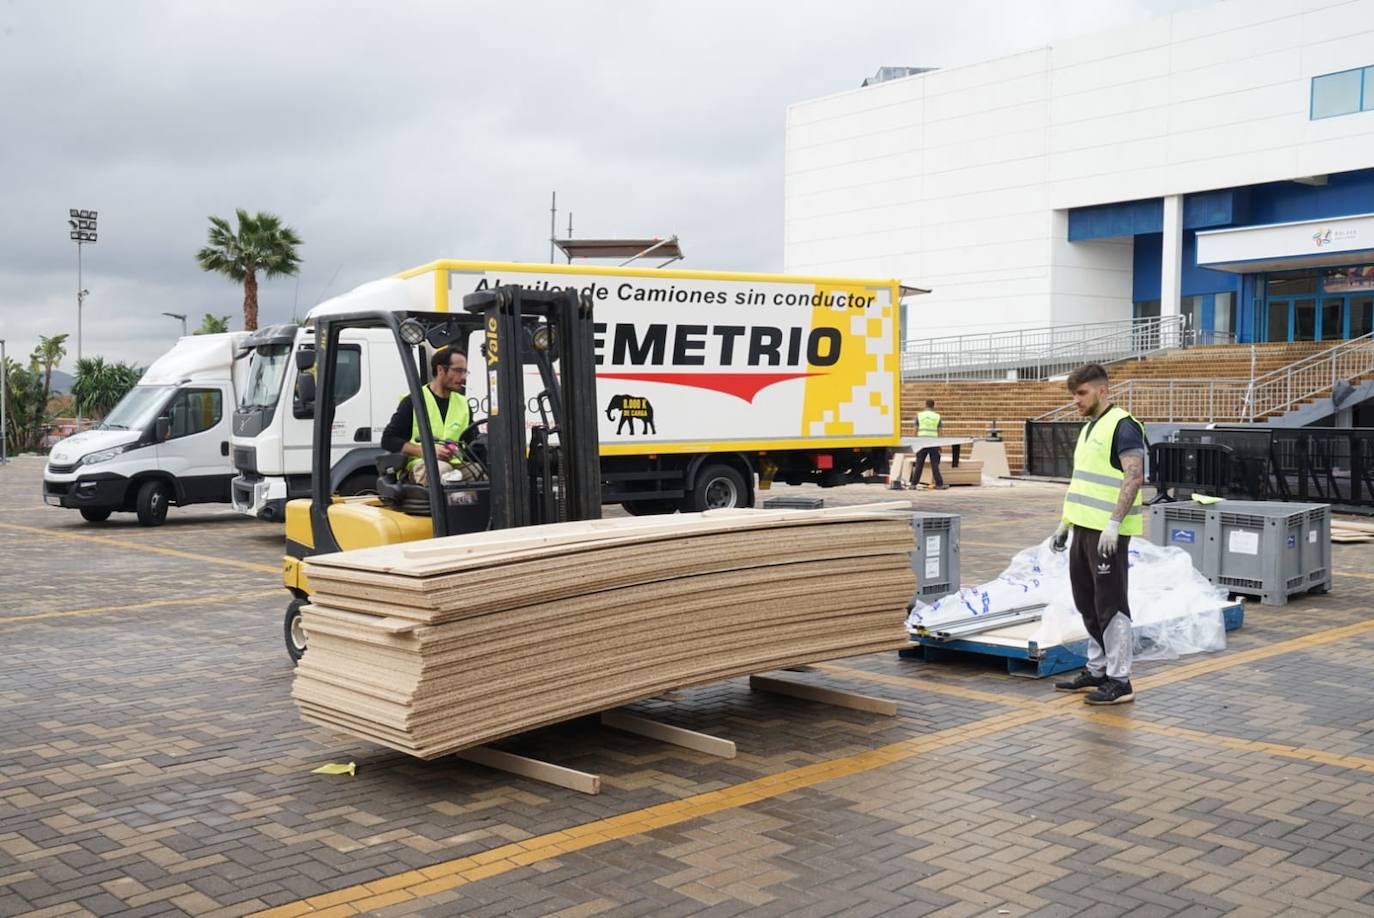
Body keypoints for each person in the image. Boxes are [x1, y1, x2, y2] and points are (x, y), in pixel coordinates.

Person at [1051, 363, 1147, 705]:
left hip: (1108, 532)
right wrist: (1066, 523)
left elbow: (1134, 477)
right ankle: (1098, 668)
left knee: (1111, 604)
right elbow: (1082, 484)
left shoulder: (1123, 426)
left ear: (1102, 391)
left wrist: (1115, 523)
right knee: (1087, 601)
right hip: (1083, 529)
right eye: (1073, 394)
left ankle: (1120, 680)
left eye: (1081, 393)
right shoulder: (1090, 427)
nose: (1075, 400)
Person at [380, 347, 470, 485]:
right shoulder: (413, 401)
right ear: (440, 370)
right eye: (458, 370)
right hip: (421, 464)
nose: (463, 377)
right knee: (444, 472)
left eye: (465, 371)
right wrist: (425, 451)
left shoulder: (463, 403)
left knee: (483, 472)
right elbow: (388, 439)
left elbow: (471, 440)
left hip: (455, 464)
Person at [909, 399, 949, 490]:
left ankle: (913, 484)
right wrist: (940, 445)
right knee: (935, 464)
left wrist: (914, 443)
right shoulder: (937, 416)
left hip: (921, 443)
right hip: (933, 443)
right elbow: (940, 432)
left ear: (925, 405)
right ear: (933, 406)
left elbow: (915, 430)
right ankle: (939, 484)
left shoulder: (919, 415)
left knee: (919, 464)